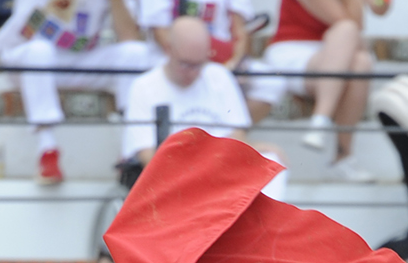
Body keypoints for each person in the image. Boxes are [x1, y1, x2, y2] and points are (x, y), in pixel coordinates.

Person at [0, 0, 153, 187]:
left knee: (135, 54)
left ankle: (129, 152)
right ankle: (48, 150)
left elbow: (128, 36)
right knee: (39, 51)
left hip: (81, 58)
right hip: (27, 55)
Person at [245, 0, 393, 182]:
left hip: (333, 53)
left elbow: (380, 6)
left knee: (362, 62)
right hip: (293, 51)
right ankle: (321, 119)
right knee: (347, 31)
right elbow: (353, 23)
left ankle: (341, 154)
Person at [122, 17, 289, 197]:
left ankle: (260, 223)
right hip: (174, 176)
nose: (193, 72)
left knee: (272, 160)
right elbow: (147, 156)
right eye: (186, 64)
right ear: (169, 50)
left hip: (219, 169)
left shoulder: (219, 76)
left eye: (199, 64)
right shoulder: (144, 87)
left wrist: (256, 149)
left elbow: (237, 136)